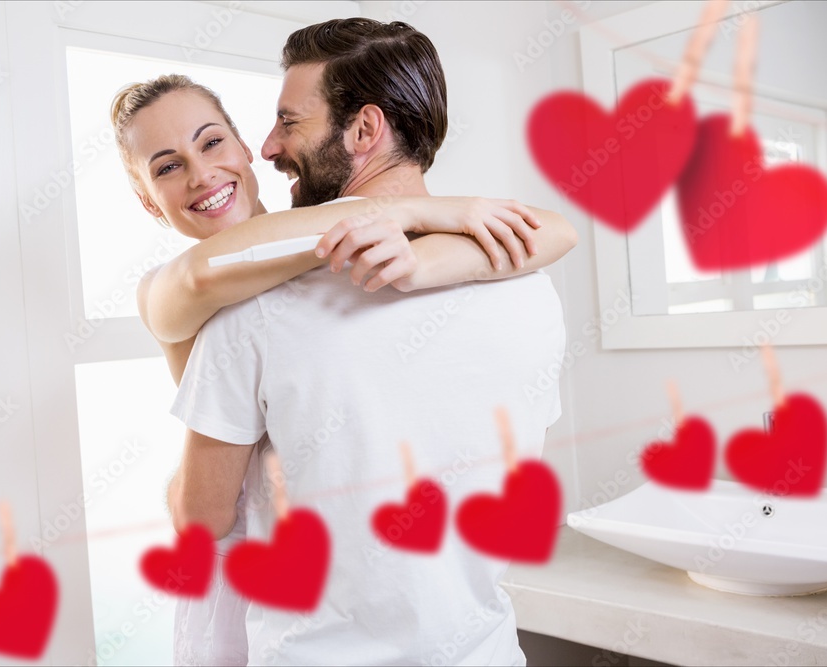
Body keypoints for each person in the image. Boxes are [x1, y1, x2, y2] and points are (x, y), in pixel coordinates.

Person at [164, 17, 572, 666]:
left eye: (289, 122)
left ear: (363, 130)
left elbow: (199, 522)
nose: (268, 147)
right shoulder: (531, 288)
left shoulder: (254, 310)